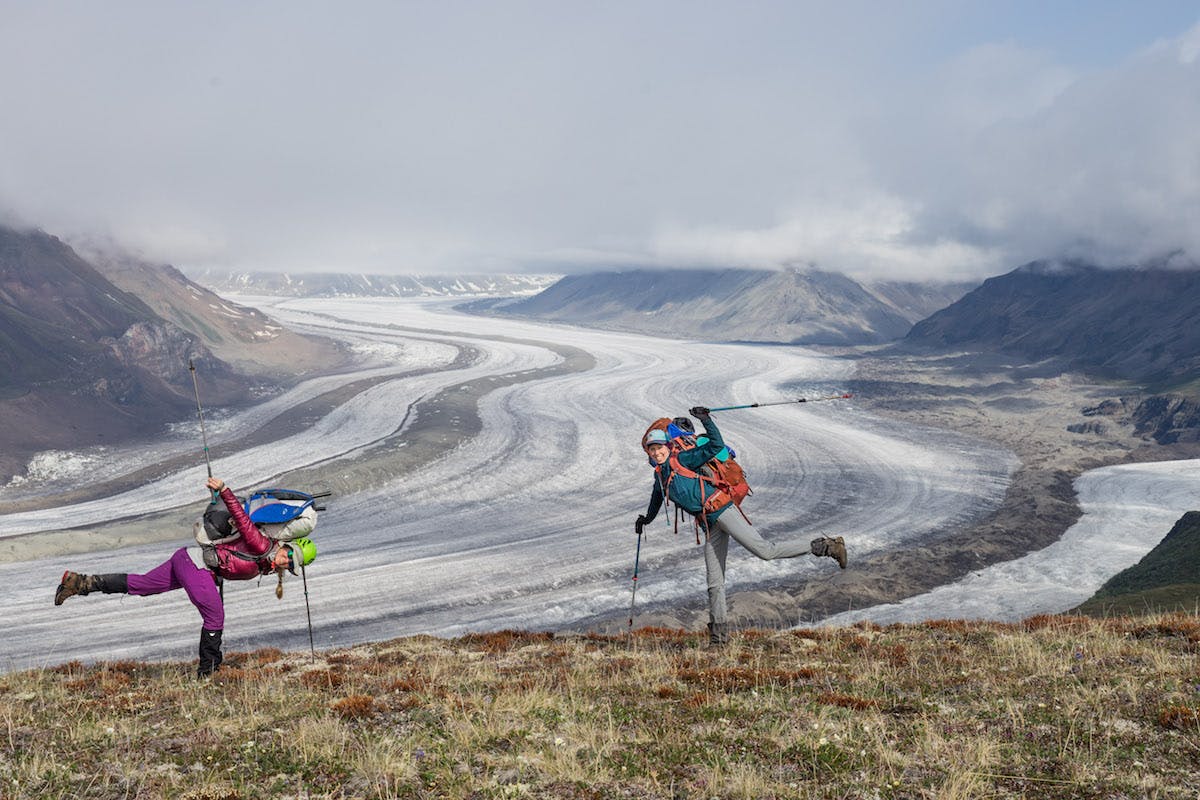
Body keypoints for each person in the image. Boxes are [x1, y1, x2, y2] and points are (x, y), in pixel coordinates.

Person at [53, 476, 316, 676]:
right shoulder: (262, 546)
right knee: (215, 616)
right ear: (286, 546)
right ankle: (208, 672)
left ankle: (78, 582)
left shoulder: (265, 564)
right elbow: (241, 519)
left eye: (290, 564)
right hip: (196, 565)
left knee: (143, 585)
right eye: (288, 556)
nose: (285, 561)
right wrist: (224, 490)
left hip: (188, 560)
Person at [636, 407, 847, 647]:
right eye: (652, 450)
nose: (656, 452)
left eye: (659, 448)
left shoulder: (682, 459)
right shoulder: (659, 476)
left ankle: (827, 547)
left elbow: (715, 446)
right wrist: (646, 520)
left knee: (765, 551)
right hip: (710, 523)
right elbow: (656, 499)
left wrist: (706, 421)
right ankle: (718, 641)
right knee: (714, 583)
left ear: (667, 447)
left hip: (723, 511)